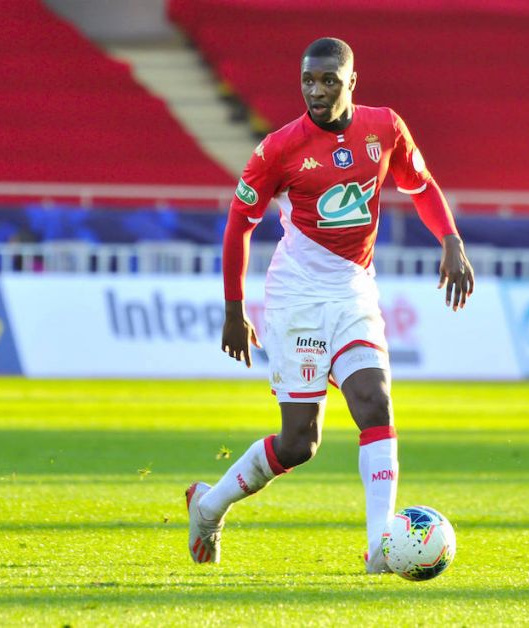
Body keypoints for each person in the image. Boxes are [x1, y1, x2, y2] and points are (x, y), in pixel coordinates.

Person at [186, 37, 474, 572]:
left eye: (328, 81)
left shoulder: (384, 128)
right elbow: (237, 226)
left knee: (376, 402)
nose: (316, 92)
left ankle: (378, 552)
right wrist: (233, 309)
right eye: (308, 82)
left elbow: (422, 184)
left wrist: (451, 238)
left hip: (353, 291)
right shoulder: (279, 149)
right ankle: (208, 505)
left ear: (351, 82)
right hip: (296, 297)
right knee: (300, 442)